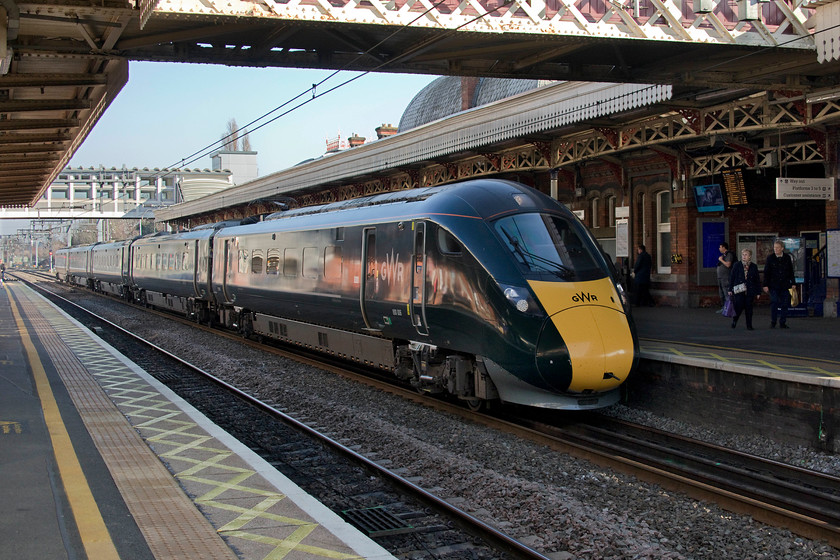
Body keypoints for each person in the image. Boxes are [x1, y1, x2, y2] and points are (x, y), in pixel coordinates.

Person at [763, 240, 795, 329]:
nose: (775, 249)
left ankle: (783, 322)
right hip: (773, 284)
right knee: (774, 302)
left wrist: (793, 282)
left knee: (785, 303)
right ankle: (773, 321)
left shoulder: (787, 258)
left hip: (785, 284)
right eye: (774, 247)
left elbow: (790, 271)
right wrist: (765, 285)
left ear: (782, 248)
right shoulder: (770, 258)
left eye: (777, 247)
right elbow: (767, 272)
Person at [728, 248, 761, 330]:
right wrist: (730, 289)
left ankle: (749, 325)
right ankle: (735, 320)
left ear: (750, 256)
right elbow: (732, 277)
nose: (744, 256)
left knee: (749, 308)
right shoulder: (737, 265)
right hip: (739, 290)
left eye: (746, 255)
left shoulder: (753, 266)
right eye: (743, 255)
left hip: (749, 290)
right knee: (738, 307)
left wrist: (758, 292)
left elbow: (757, 280)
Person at [715, 242, 734, 312]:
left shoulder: (729, 254)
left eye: (720, 247)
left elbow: (728, 264)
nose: (719, 248)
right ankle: (724, 307)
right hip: (720, 277)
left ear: (724, 247)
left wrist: (721, 260)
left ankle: (729, 308)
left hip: (725, 277)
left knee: (726, 292)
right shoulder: (724, 255)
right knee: (721, 293)